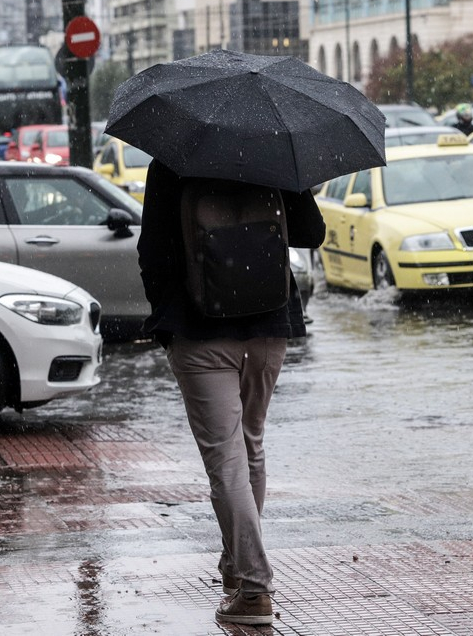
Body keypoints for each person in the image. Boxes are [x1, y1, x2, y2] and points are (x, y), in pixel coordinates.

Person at [137, 160, 326, 626]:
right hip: (269, 324)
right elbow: (312, 233)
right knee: (249, 446)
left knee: (226, 460)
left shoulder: (173, 161)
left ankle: (254, 588)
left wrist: (167, 317)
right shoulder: (272, 153)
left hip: (198, 329)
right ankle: (237, 566)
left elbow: (152, 253)